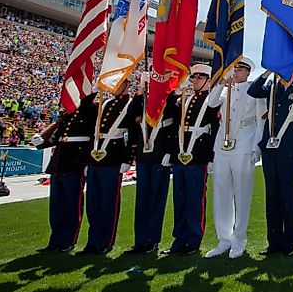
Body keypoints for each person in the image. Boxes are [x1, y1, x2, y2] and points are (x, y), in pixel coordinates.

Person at [205, 57, 266, 259]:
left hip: (244, 143)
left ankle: (239, 239)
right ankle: (224, 238)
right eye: (234, 69)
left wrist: (256, 148)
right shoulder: (224, 90)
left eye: (240, 70)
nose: (236, 73)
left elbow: (260, 121)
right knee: (221, 192)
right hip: (222, 145)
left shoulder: (255, 91)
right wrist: (221, 82)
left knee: (242, 193)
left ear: (248, 72)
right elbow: (211, 103)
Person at [78, 76, 144, 255]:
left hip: (113, 156)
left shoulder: (131, 104)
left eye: (119, 83)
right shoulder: (105, 103)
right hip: (96, 157)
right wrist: (93, 90)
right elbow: (90, 121)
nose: (114, 87)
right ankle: (92, 241)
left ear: (127, 85)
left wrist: (127, 159)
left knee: (108, 203)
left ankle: (104, 242)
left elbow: (133, 133)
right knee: (93, 203)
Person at [248, 69, 293, 257]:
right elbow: (253, 91)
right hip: (269, 149)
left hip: (289, 149)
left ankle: (289, 243)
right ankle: (273, 242)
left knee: (288, 197)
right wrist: (268, 71)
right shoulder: (271, 86)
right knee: (271, 196)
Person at [162, 64, 224, 255]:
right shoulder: (185, 100)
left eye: (198, 77)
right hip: (180, 155)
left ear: (207, 80)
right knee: (179, 200)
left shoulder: (213, 101)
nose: (194, 80)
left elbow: (215, 129)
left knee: (195, 200)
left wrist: (212, 157)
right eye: (193, 77)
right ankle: (179, 240)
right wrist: (175, 93)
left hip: (198, 155)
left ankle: (193, 240)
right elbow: (170, 119)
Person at [32, 95, 95, 252]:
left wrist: (87, 160)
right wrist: (44, 137)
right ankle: (55, 240)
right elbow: (55, 137)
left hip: (75, 163)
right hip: (58, 163)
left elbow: (92, 137)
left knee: (72, 205)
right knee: (57, 207)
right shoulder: (67, 114)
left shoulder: (90, 111)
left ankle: (68, 240)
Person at [126, 72, 176, 255]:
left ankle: (152, 240)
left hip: (160, 156)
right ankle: (140, 240)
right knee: (142, 201)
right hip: (143, 156)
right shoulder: (144, 101)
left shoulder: (169, 101)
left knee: (156, 200)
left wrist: (170, 152)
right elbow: (130, 114)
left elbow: (175, 122)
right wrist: (140, 90)